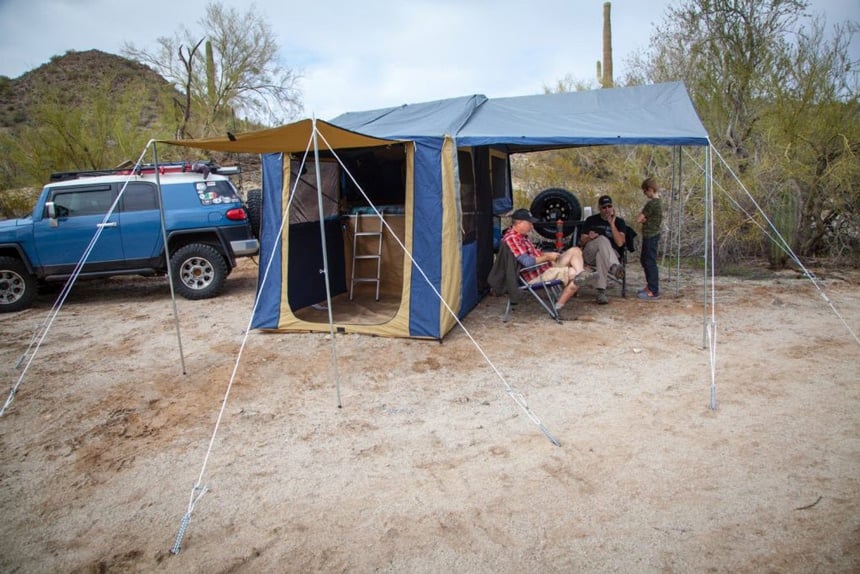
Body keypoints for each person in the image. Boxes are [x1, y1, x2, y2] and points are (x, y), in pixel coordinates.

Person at [502, 208, 589, 312]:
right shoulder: (512, 238)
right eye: (529, 223)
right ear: (519, 222)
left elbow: (535, 254)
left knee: (575, 250)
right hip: (535, 274)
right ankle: (558, 308)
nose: (532, 226)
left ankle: (581, 274)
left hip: (543, 267)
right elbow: (527, 263)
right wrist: (547, 257)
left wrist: (548, 254)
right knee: (574, 274)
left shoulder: (522, 236)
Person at [578, 195, 627, 305]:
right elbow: (581, 242)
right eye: (604, 207)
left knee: (601, 255)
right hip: (590, 252)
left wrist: (612, 224)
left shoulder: (619, 222)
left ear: (612, 207)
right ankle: (614, 266)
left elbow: (620, 243)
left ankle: (601, 292)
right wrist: (589, 237)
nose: (607, 209)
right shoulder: (591, 220)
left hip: (610, 254)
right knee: (602, 239)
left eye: (609, 206)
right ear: (599, 208)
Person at [636, 177, 663, 300]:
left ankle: (653, 289)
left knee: (649, 262)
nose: (645, 194)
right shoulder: (658, 203)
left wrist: (643, 219)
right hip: (651, 234)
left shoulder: (651, 204)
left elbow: (639, 218)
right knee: (645, 260)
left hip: (651, 235)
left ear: (650, 190)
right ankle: (650, 286)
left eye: (645, 191)